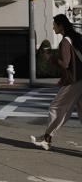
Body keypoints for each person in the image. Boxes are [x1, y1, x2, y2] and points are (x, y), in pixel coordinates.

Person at [31, 14, 82, 150]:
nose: (53, 27)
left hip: (75, 82)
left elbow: (65, 64)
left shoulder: (66, 40)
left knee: (56, 107)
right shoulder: (76, 38)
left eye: (54, 25)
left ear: (61, 26)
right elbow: (75, 63)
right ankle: (47, 138)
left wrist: (51, 58)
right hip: (79, 80)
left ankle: (47, 138)